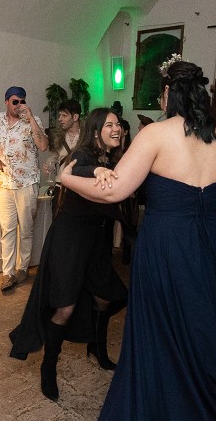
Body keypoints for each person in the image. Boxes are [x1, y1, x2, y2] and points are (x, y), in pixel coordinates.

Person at [60, 57, 216, 421]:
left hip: (167, 239)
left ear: (168, 94)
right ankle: (203, 395)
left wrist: (68, 178)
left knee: (161, 322)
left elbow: (114, 192)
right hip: (209, 239)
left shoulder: (155, 134)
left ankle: (171, 405)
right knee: (201, 317)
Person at [9, 108, 128, 401]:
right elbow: (75, 169)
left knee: (107, 297)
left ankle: (96, 348)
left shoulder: (113, 158)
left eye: (118, 125)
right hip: (70, 239)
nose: (116, 129)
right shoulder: (84, 155)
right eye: (109, 125)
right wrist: (97, 171)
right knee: (64, 308)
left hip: (97, 240)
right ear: (96, 130)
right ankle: (48, 366)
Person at [0, 86, 49, 291]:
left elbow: (43, 146)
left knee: (26, 229)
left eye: (22, 101)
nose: (19, 105)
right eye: (15, 102)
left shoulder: (33, 121)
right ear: (6, 102)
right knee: (7, 228)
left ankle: (22, 268)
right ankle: (8, 273)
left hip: (27, 182)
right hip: (4, 181)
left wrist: (31, 119)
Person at [48, 99, 82, 167]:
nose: (59, 119)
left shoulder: (87, 136)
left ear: (75, 117)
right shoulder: (57, 137)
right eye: (59, 115)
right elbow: (54, 157)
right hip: (62, 173)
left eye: (64, 116)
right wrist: (50, 165)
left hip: (82, 173)